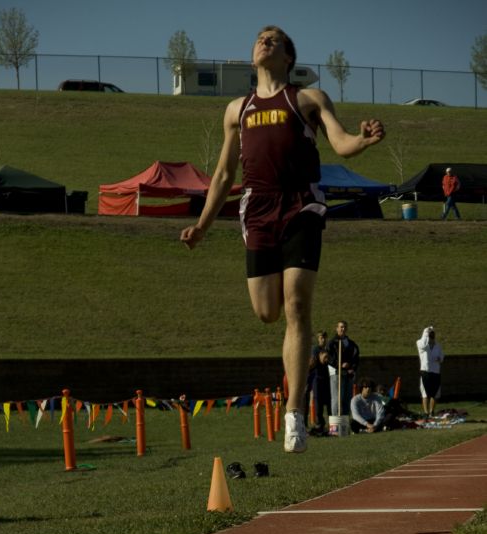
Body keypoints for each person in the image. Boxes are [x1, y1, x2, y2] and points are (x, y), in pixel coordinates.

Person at [180, 26, 385, 453]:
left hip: (301, 205)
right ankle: (294, 395)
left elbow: (340, 141)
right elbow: (222, 174)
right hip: (256, 210)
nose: (264, 42)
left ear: (288, 56)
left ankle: (295, 412)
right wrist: (201, 225)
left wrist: (362, 140)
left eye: (274, 39)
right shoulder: (238, 109)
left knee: (296, 304)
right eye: (260, 38)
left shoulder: (308, 99)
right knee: (266, 312)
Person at [327, 320, 360, 417]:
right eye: (341, 327)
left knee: (347, 398)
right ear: (337, 328)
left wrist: (352, 368)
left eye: (344, 327)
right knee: (337, 399)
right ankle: (336, 422)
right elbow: (329, 358)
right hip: (337, 374)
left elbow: (356, 358)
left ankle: (344, 421)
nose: (343, 329)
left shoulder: (352, 344)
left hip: (348, 374)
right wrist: (339, 365)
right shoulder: (332, 343)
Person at [416, 325, 444, 417]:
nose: (431, 336)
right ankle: (426, 412)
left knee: (434, 393)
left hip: (435, 371)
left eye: (432, 334)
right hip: (425, 371)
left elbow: (442, 357)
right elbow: (423, 344)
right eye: (430, 334)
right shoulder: (420, 343)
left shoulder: (438, 346)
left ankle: (432, 411)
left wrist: (439, 359)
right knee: (425, 393)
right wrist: (426, 333)